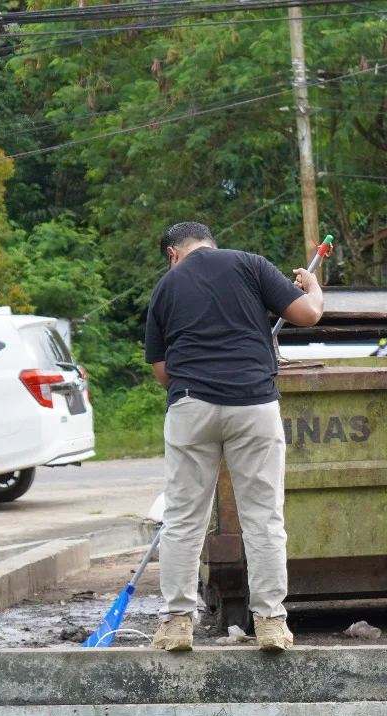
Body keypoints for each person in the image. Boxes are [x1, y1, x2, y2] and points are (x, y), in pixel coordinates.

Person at [145, 222, 324, 652]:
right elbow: (308, 314)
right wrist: (313, 286)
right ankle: (271, 624)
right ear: (211, 243)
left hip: (191, 405)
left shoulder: (167, 286)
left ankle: (175, 623)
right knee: (263, 517)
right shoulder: (250, 264)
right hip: (253, 404)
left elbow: (162, 371)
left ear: (172, 253)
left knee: (184, 519)